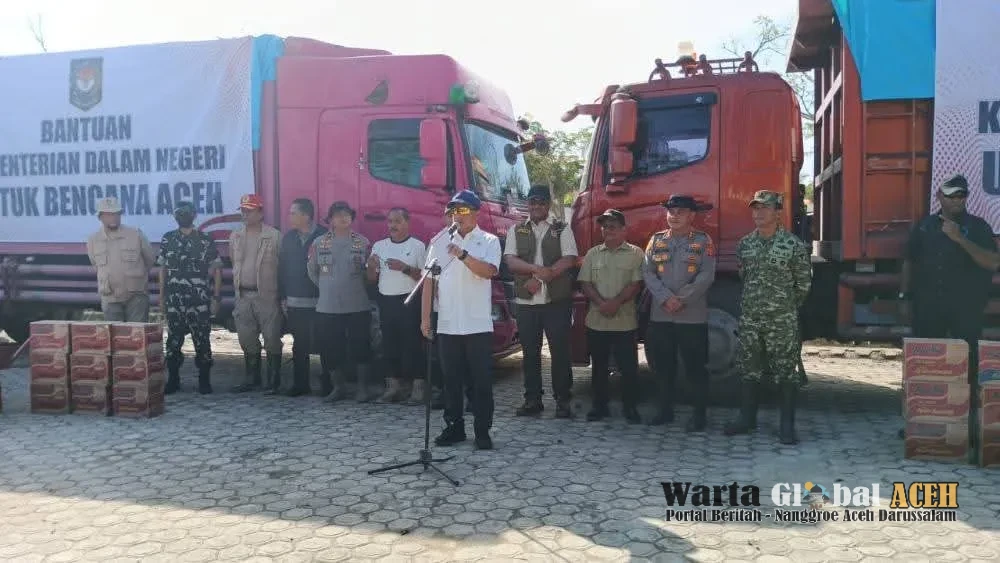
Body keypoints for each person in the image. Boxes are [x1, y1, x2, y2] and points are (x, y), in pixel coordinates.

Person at [724, 190, 812, 445]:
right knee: (748, 369)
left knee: (786, 372)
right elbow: (744, 277)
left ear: (777, 211)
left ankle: (786, 426)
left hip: (781, 319)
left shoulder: (792, 245)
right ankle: (746, 419)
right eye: (755, 208)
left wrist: (784, 308)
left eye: (765, 208)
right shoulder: (745, 244)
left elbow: (803, 284)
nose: (759, 213)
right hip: (751, 318)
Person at [422, 190, 502, 450]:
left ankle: (482, 431)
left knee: (480, 382)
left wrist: (463, 255)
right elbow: (428, 283)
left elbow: (489, 271)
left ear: (476, 212)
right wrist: (425, 319)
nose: (458, 215)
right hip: (447, 324)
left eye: (464, 210)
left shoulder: (488, 240)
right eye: (454, 211)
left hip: (477, 324)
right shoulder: (439, 241)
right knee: (451, 381)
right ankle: (454, 427)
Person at [901, 174, 998, 385]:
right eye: (951, 196)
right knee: (927, 359)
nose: (956, 200)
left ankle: (968, 407)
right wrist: (905, 297)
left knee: (969, 359)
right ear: (939, 197)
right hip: (929, 306)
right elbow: (909, 262)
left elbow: (992, 262)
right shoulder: (924, 227)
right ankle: (927, 404)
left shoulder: (978, 227)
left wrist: (959, 239)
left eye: (961, 195)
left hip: (966, 307)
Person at [503, 185, 578, 418]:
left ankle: (563, 401)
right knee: (530, 354)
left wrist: (545, 277)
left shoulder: (561, 228)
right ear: (528, 204)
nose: (536, 206)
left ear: (548, 204)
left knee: (560, 353)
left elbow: (569, 258)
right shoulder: (516, 229)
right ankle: (532, 400)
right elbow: (511, 261)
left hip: (556, 301)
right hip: (527, 303)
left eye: (541, 202)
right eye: (532, 202)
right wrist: (536, 272)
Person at [642, 195, 716, 431]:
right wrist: (666, 298)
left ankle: (699, 415)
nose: (674, 216)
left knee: (695, 367)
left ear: (692, 216)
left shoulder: (704, 241)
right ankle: (665, 411)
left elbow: (706, 276)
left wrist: (680, 299)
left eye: (681, 212)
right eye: (671, 212)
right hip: (661, 315)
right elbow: (648, 273)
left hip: (691, 316)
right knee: (663, 366)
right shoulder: (655, 241)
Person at [577, 209, 644, 423]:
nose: (608, 230)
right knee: (599, 368)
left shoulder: (636, 254)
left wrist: (615, 303)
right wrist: (601, 303)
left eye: (613, 225)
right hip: (597, 321)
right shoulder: (593, 253)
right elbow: (585, 283)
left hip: (624, 322)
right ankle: (600, 406)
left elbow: (636, 284)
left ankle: (630, 407)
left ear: (624, 229)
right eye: (605, 226)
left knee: (629, 369)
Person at [307, 201, 377, 402]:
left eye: (346, 214)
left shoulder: (363, 243)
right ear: (330, 220)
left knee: (361, 347)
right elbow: (312, 272)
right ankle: (338, 388)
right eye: (338, 215)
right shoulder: (319, 243)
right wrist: (329, 287)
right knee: (330, 348)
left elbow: (369, 273)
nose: (343, 218)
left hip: (357, 304)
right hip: (328, 305)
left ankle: (363, 389)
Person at [157, 202, 222, 395]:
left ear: (194, 216)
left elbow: (217, 269)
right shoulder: (168, 239)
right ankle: (174, 380)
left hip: (198, 299)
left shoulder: (205, 239)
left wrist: (216, 297)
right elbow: (163, 269)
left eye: (186, 213)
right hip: (174, 298)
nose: (183, 216)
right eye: (179, 213)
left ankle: (204, 380)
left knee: (202, 340)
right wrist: (161, 296)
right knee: (173, 341)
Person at [367, 207, 427, 404]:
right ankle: (393, 387)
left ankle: (418, 388)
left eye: (397, 221)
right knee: (389, 345)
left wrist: (405, 268)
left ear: (407, 223)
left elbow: (425, 277)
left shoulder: (417, 246)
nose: (392, 225)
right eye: (390, 221)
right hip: (387, 301)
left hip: (409, 300)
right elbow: (371, 279)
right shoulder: (379, 246)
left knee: (412, 345)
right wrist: (372, 267)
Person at [229, 194, 283, 393]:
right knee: (246, 338)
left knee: (271, 338)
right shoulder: (235, 236)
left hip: (267, 296)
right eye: (243, 210)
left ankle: (273, 380)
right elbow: (234, 262)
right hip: (243, 296)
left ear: (261, 213)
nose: (245, 214)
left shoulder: (274, 236)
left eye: (249, 210)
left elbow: (282, 266)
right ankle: (252, 378)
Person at [279, 198, 327, 397]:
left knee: (325, 342)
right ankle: (300, 384)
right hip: (295, 300)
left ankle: (328, 385)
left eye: (293, 213)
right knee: (300, 344)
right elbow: (282, 268)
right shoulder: (288, 238)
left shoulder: (324, 236)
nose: (289, 217)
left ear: (306, 215)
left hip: (321, 300)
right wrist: (282, 295)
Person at [86, 197, 156, 322]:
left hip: (136, 296)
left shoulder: (135, 234)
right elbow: (96, 265)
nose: (113, 217)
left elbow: (150, 259)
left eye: (116, 214)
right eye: (109, 214)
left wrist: (135, 276)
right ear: (100, 217)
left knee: (137, 335)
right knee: (115, 337)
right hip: (110, 298)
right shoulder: (93, 240)